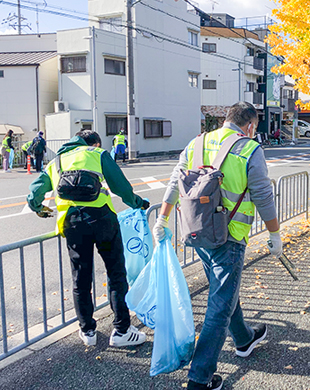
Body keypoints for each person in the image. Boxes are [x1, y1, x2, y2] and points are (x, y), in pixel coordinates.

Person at [153, 102, 283, 390]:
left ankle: (244, 339)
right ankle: (199, 379)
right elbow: (263, 194)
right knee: (220, 305)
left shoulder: (197, 142)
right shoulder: (249, 148)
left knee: (224, 292)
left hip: (198, 232)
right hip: (231, 236)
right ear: (250, 125)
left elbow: (175, 181)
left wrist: (161, 219)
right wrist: (274, 234)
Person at [27, 130, 150, 347]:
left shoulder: (56, 162)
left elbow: (35, 191)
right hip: (102, 220)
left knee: (80, 278)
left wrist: (38, 207)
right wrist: (138, 203)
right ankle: (121, 331)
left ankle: (88, 331)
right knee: (116, 274)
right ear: (94, 142)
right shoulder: (97, 154)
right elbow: (121, 187)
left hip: (73, 224)